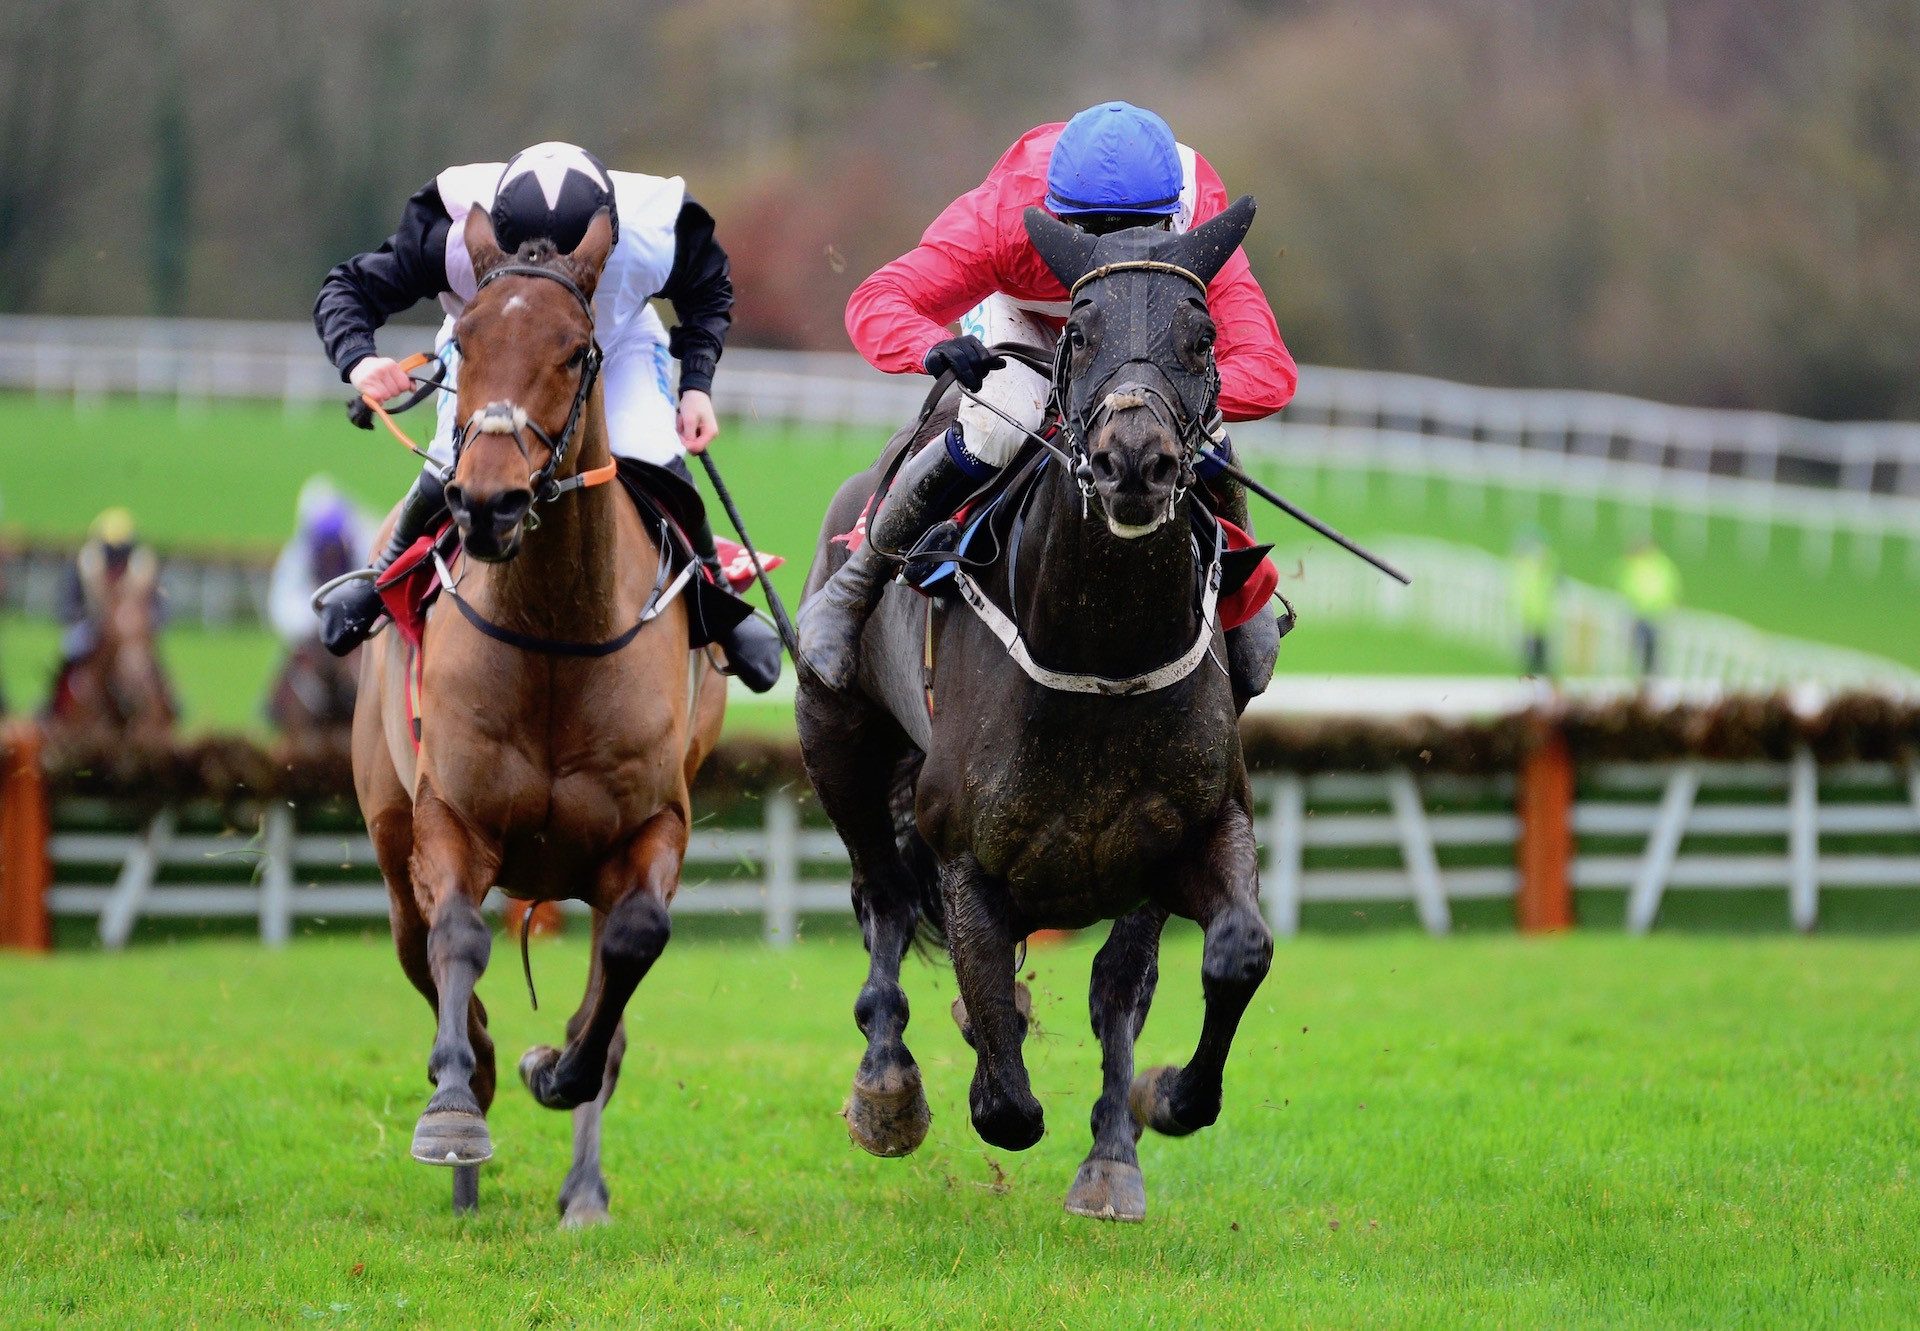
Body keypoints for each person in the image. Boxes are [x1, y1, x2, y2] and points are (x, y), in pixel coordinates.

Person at [799, 101, 1298, 697]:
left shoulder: (1200, 216)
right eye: (1094, 235)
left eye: (1139, 232)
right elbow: (878, 299)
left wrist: (1166, 395)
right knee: (1004, 422)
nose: (1116, 249)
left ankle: (1245, 598)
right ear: (1056, 217)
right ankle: (853, 588)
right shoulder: (1003, 218)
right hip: (1036, 320)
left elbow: (1269, 369)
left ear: (1174, 219)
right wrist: (932, 345)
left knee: (1198, 420)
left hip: (1151, 329)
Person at [310, 141, 781, 691]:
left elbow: (708, 289)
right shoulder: (451, 240)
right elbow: (348, 287)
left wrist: (697, 385)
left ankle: (713, 595)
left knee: (655, 453)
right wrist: (360, 359)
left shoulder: (657, 234)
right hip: (494, 343)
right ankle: (382, 579)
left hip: (612, 343)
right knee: (450, 463)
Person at [267, 477, 376, 648]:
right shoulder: (297, 556)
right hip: (314, 639)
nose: (330, 557)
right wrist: (319, 623)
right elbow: (284, 609)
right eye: (326, 552)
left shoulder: (366, 542)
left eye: (335, 551)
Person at [58, 508, 158, 666]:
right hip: (89, 623)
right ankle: (62, 688)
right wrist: (82, 618)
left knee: (149, 660)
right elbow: (70, 601)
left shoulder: (141, 566)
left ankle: (166, 690)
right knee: (73, 646)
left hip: (130, 626)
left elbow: (157, 606)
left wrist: (147, 623)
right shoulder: (86, 563)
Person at [1618, 535, 1681, 678]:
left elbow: (1670, 587)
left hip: (1655, 615)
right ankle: (1643, 681)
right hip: (1642, 614)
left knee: (1653, 654)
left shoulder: (1660, 565)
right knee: (1642, 653)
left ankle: (1651, 681)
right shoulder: (1641, 563)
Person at [1510, 529, 1560, 678]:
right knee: (1532, 658)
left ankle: (1540, 686)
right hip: (1531, 618)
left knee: (1539, 658)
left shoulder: (1540, 566)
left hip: (1539, 619)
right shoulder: (1528, 566)